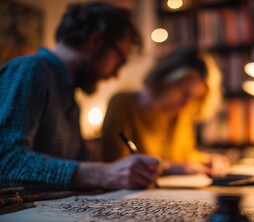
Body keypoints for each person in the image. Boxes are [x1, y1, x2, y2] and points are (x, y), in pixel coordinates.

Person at [0, 2, 160, 191]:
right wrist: (102, 173)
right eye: (120, 61)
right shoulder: (29, 70)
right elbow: (6, 162)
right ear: (96, 40)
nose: (116, 74)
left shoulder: (70, 99)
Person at [102, 46, 230, 176]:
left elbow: (185, 155)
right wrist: (171, 167)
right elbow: (115, 165)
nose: (187, 103)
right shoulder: (123, 104)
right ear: (165, 80)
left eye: (194, 97)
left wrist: (208, 160)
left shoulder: (180, 111)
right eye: (185, 93)